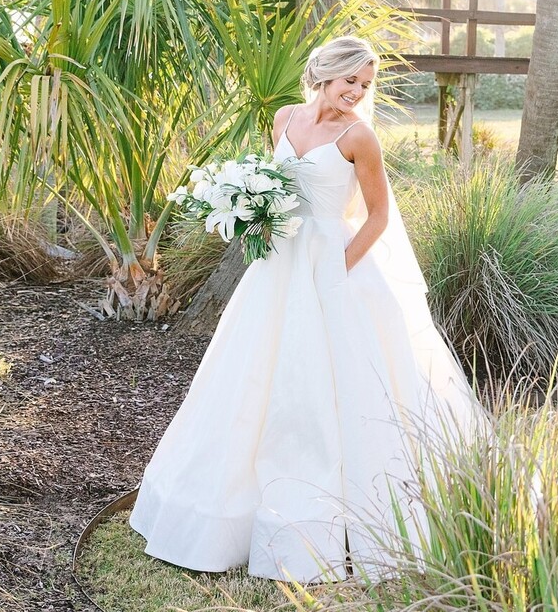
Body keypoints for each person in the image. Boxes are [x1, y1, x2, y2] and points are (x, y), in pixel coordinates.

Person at [130, 36, 481, 582]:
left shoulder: (359, 137)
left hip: (331, 268)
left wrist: (338, 267)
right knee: (253, 379)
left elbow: (378, 217)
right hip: (277, 267)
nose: (357, 93)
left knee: (332, 387)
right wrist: (250, 212)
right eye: (351, 82)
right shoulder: (284, 117)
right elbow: (274, 187)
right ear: (325, 73)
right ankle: (226, 513)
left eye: (366, 85)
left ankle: (336, 521)